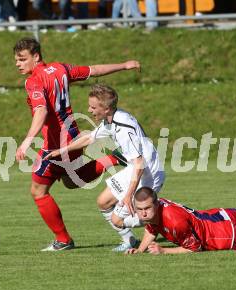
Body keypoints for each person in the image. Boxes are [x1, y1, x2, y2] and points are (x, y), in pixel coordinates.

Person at [13, 37, 141, 251]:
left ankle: (63, 240)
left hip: (55, 142)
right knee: (72, 181)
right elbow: (93, 70)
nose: (18, 64)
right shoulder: (60, 69)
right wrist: (124, 65)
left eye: (22, 59)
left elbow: (41, 111)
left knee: (38, 191)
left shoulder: (33, 81)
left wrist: (27, 141)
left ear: (36, 57)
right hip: (72, 135)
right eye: (16, 60)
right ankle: (113, 158)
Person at [45, 84, 165, 252]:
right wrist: (60, 151)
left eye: (93, 107)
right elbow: (89, 138)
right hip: (136, 167)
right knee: (103, 202)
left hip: (148, 172)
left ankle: (164, 218)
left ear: (107, 109)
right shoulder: (110, 120)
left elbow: (139, 164)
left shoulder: (122, 128)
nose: (89, 110)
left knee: (118, 220)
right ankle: (130, 240)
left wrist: (129, 195)